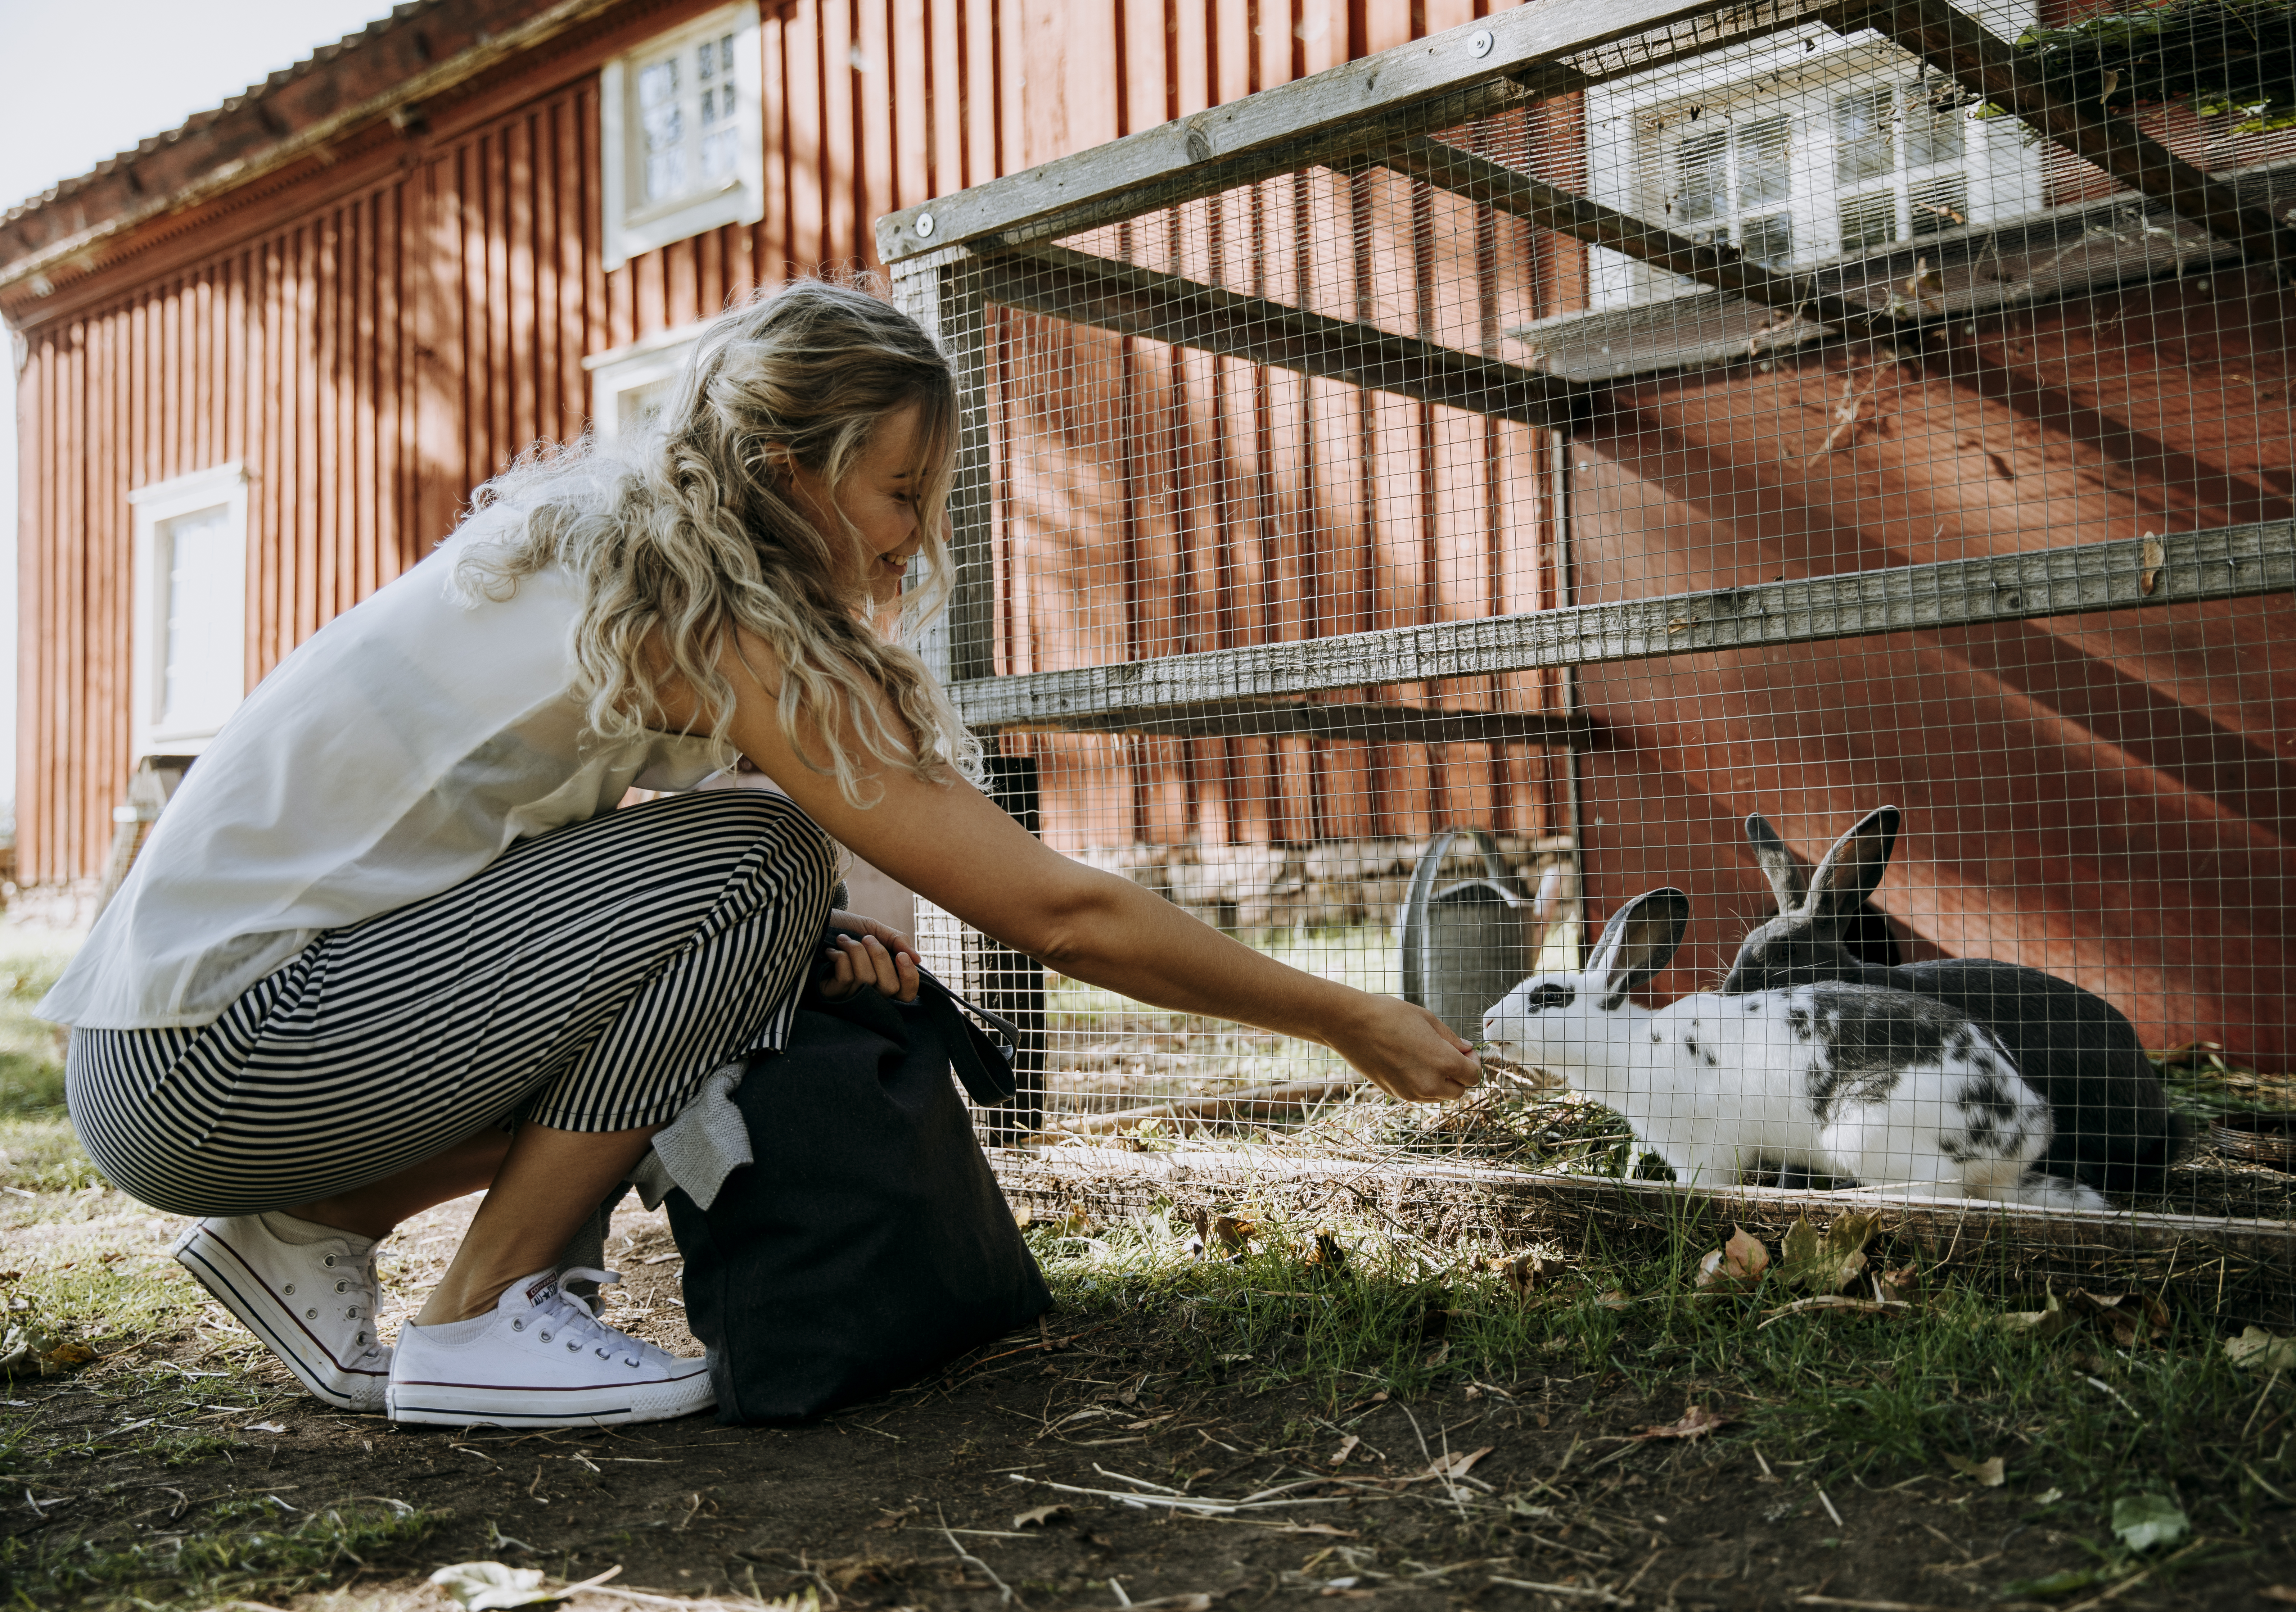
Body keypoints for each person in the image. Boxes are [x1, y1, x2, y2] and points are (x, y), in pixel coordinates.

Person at [39, 278, 1481, 1430]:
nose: (916, 538)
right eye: (902, 490)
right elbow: (1055, 910)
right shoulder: (699, 617)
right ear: (791, 471)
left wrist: (792, 952)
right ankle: (477, 1317)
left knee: (750, 930)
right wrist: (1343, 1013)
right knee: (755, 867)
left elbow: (567, 913)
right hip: (215, 1058)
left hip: (178, 1052)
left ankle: (310, 1225)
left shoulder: (604, 560)